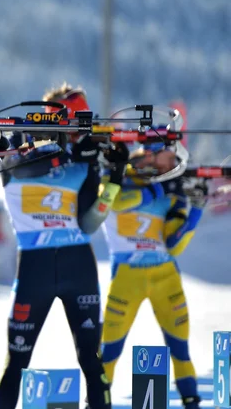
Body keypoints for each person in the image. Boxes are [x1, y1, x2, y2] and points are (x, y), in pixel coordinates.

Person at [0, 84, 129, 409]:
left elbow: (90, 223)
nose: (74, 133)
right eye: (68, 121)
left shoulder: (83, 161)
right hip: (34, 269)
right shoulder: (18, 146)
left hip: (78, 264)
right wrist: (66, 153)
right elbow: (10, 163)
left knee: (91, 361)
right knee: (17, 362)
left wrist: (114, 176)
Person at [100, 140, 205, 409]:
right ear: (151, 153)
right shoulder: (116, 174)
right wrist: (157, 190)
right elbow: (114, 204)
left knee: (180, 350)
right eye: (171, 159)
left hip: (165, 276)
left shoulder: (173, 188)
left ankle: (192, 402)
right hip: (126, 277)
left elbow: (174, 245)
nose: (174, 167)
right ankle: (96, 403)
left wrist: (195, 210)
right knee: (109, 353)